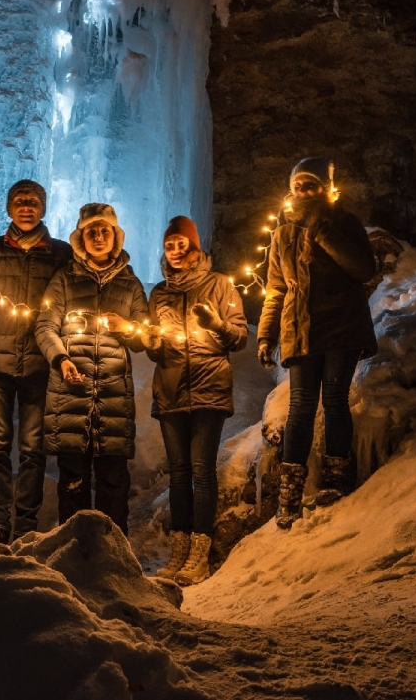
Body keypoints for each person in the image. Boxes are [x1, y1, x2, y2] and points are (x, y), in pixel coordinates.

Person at [257, 157, 378, 529]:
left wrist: (322, 232)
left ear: (324, 187)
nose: (304, 191)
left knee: (335, 400)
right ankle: (289, 493)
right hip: (300, 330)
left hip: (340, 326)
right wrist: (266, 333)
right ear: (291, 190)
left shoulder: (343, 223)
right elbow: (276, 289)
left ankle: (334, 480)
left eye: (311, 185)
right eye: (299, 186)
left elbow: (363, 269)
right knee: (301, 406)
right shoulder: (282, 234)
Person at [0, 179, 73, 545]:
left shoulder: (60, 253)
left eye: (33, 202)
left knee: (33, 448)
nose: (26, 207)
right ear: (9, 208)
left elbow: (70, 304)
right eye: (20, 201)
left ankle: (26, 523)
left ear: (43, 208)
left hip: (40, 362)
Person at [144, 216, 248, 585]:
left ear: (194, 246)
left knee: (201, 470)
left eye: (181, 244)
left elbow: (239, 337)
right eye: (169, 245)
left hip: (209, 387)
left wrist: (215, 323)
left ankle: (200, 554)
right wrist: (151, 343)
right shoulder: (159, 293)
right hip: (171, 389)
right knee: (179, 473)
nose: (174, 251)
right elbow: (155, 347)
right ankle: (180, 549)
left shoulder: (219, 285)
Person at [35, 203, 149, 534]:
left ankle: (113, 556)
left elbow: (144, 338)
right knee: (73, 480)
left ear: (115, 237)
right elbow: (45, 326)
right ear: (81, 238)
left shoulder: (130, 284)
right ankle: (75, 552)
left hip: (113, 397)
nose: (98, 237)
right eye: (91, 232)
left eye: (105, 231)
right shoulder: (64, 281)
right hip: (70, 395)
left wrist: (127, 327)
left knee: (114, 481)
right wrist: (62, 359)